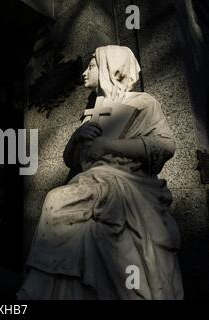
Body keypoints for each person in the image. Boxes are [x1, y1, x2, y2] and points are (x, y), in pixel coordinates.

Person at [18, 45, 183, 300]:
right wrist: (76, 138)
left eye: (92, 65)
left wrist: (108, 145)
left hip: (127, 181)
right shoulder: (93, 112)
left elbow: (165, 145)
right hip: (92, 180)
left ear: (110, 67)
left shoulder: (143, 102)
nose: (85, 72)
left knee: (57, 200)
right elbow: (71, 160)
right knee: (68, 215)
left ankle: (35, 290)